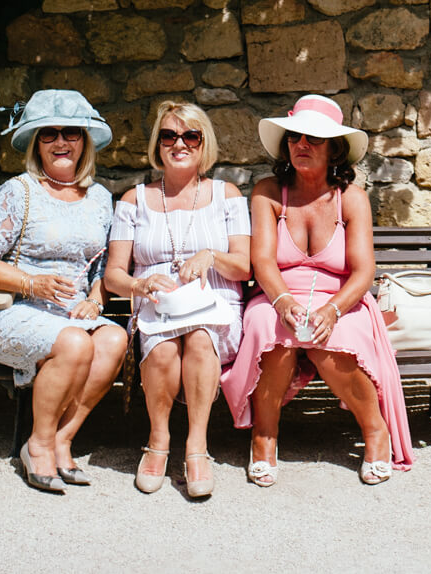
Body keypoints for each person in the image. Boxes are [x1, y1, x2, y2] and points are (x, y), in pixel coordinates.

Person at [219, 94, 413, 486]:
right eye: (294, 137)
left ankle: (375, 431)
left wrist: (333, 310)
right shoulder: (268, 193)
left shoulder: (352, 199)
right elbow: (264, 263)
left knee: (334, 337)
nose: (301, 145)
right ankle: (264, 436)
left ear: (335, 150)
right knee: (265, 327)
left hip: (341, 299)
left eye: (314, 139)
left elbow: (363, 273)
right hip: (277, 295)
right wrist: (283, 301)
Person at [0, 89, 131, 494]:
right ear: (36, 144)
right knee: (75, 344)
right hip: (9, 308)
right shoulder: (19, 191)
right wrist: (30, 282)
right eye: (48, 134)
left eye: (70, 132)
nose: (60, 142)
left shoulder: (100, 198)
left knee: (113, 339)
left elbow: (103, 265)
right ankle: (36, 446)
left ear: (84, 141)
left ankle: (62, 439)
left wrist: (95, 298)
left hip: (69, 311)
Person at [103, 101, 250, 499]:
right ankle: (158, 441)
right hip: (157, 303)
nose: (179, 144)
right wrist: (141, 284)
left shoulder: (228, 195)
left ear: (204, 143)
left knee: (200, 339)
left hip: (214, 301)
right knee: (165, 349)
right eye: (169, 135)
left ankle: (197, 446)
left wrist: (212, 257)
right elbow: (114, 274)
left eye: (190, 136)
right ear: (157, 144)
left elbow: (244, 268)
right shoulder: (135, 200)